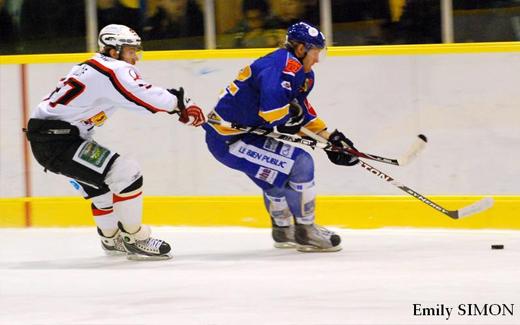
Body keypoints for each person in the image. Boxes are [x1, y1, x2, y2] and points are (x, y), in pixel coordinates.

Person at [24, 24, 205, 260]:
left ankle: (110, 239)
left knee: (102, 188)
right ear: (113, 51)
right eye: (130, 51)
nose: (135, 58)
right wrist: (180, 104)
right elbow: (141, 94)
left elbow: (133, 100)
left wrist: (173, 105)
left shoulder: (93, 68)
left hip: (53, 139)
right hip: (58, 142)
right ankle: (135, 238)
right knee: (126, 172)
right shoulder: (113, 69)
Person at [203, 22, 359, 252]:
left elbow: (299, 111)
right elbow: (275, 114)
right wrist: (307, 130)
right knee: (301, 163)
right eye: (315, 51)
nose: (317, 59)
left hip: (243, 134)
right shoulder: (280, 67)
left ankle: (283, 229)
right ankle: (306, 231)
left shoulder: (299, 71)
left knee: (276, 178)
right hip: (229, 139)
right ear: (301, 49)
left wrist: (331, 138)